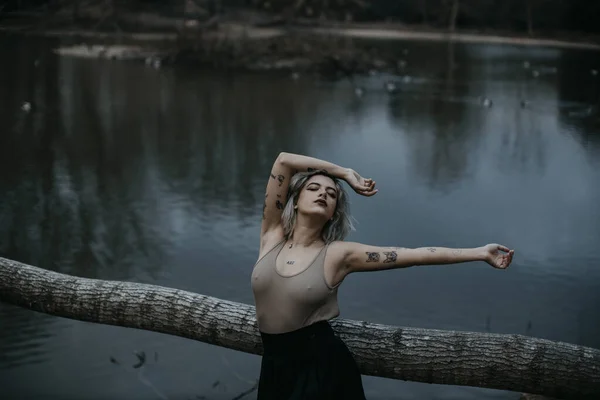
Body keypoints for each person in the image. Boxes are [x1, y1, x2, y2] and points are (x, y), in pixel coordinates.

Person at [251, 152, 515, 400]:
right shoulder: (271, 237)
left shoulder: (338, 255)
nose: (323, 194)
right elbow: (284, 161)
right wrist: (343, 173)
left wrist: (479, 252)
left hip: (319, 369)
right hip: (273, 366)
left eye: (331, 194)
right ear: (295, 200)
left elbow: (415, 255)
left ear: (333, 213)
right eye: (314, 188)